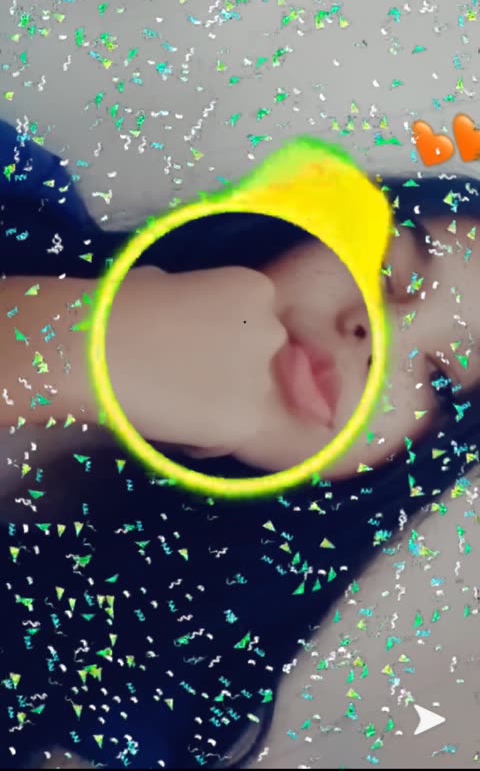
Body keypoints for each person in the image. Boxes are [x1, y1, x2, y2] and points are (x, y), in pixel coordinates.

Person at [0, 118, 479, 768]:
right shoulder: (16, 186)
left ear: (403, 467)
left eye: (441, 377)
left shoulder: (137, 702)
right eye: (392, 272)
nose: (379, 334)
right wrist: (69, 336)